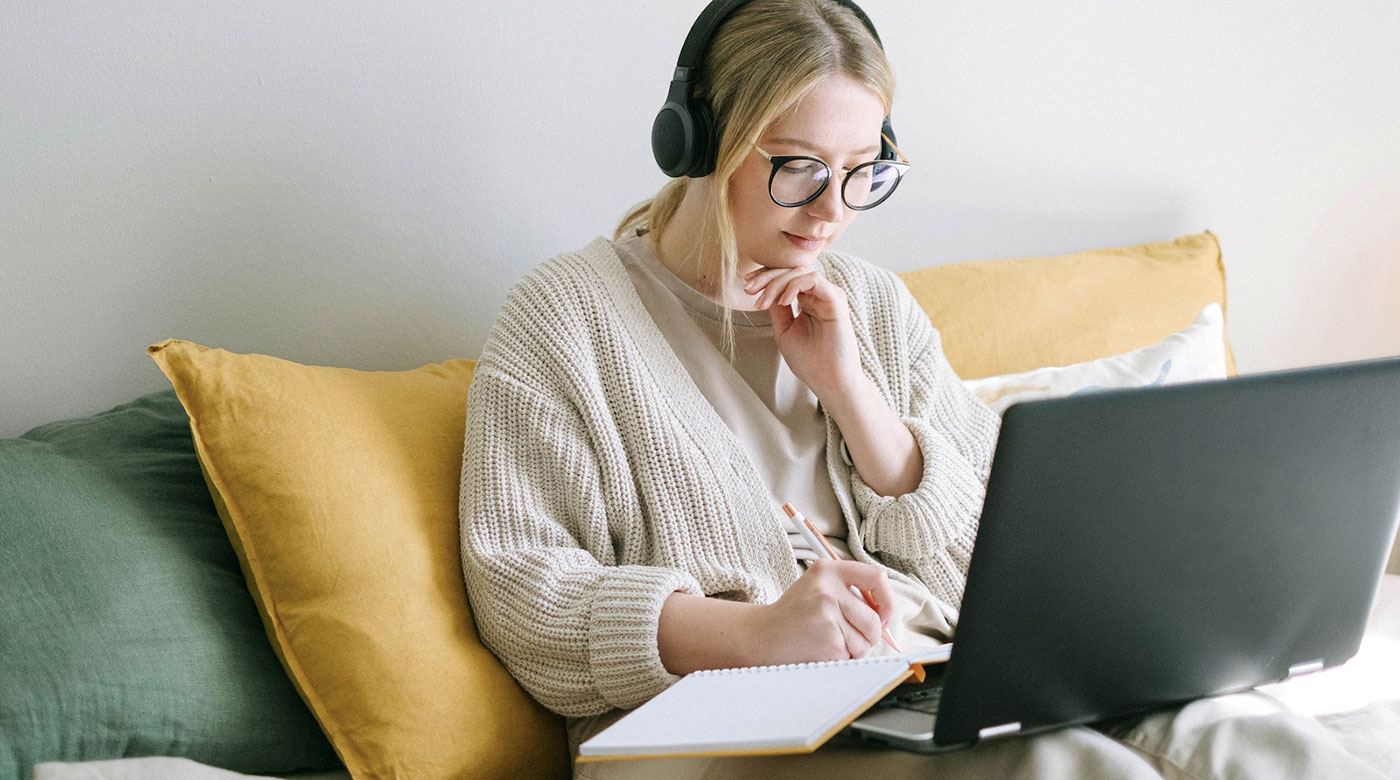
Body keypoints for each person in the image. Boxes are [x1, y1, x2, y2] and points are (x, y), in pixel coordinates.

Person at [458, 2, 1390, 778]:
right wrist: (755, 634)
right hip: (710, 732)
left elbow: (993, 555)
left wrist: (853, 394)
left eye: (863, 173)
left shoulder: (868, 302)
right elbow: (528, 598)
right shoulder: (564, 320)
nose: (833, 210)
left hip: (919, 680)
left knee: (1246, 737)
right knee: (1072, 769)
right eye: (799, 169)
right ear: (700, 143)